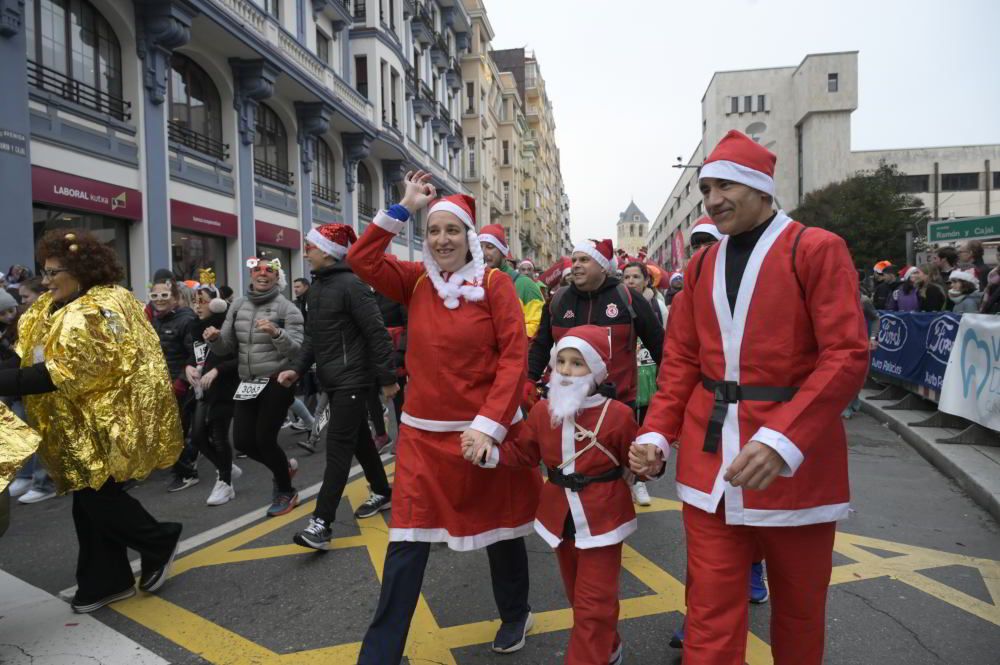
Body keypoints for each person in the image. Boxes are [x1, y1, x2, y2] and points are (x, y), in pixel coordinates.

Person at [629, 130, 868, 665]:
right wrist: (655, 433)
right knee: (709, 613)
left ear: (761, 189)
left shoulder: (815, 248)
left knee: (800, 612)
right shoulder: (699, 267)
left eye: (725, 186)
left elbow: (846, 355)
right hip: (709, 459)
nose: (713, 200)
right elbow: (683, 363)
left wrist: (784, 439)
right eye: (707, 188)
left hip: (794, 465)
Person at [349, 172, 542, 661]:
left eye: (451, 231)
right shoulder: (415, 280)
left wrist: (488, 426)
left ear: (469, 237)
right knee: (406, 543)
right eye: (433, 231)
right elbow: (361, 258)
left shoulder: (496, 286)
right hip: (422, 438)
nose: (441, 240)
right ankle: (379, 655)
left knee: (501, 531)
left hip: (483, 435)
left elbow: (513, 359)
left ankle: (515, 612)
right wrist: (404, 208)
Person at [0, 229, 184, 613]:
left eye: (54, 272)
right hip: (70, 423)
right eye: (44, 272)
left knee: (97, 499)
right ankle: (107, 581)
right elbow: (23, 355)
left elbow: (59, 373)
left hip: (102, 423)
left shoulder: (97, 308)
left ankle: (158, 539)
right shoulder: (53, 305)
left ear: (81, 270)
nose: (46, 280)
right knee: (87, 502)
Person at [464, 326, 638, 665]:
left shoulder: (619, 415)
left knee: (594, 602)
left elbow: (638, 462)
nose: (568, 371)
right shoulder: (544, 412)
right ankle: (610, 646)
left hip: (603, 517)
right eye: (562, 362)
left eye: (578, 364)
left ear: (597, 369)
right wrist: (490, 454)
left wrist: (650, 462)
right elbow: (526, 454)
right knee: (578, 595)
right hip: (560, 518)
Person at [276, 223, 398, 549]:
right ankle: (384, 491)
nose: (305, 252)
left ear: (328, 252)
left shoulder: (352, 286)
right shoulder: (318, 289)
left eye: (310, 247)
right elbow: (313, 339)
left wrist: (387, 379)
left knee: (338, 449)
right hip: (335, 381)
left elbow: (377, 333)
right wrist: (296, 371)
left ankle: (321, 525)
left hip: (353, 380)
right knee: (360, 441)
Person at [204, 257, 304, 517]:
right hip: (247, 382)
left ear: (276, 277)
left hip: (276, 380)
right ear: (250, 276)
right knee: (244, 442)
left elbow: (297, 349)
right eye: (257, 271)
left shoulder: (287, 308)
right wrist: (214, 339)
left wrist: (276, 333)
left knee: (265, 439)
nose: (262, 275)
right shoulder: (237, 305)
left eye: (269, 271)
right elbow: (226, 347)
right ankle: (283, 466)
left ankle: (286, 489)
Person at [529, 239, 664, 411]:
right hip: (564, 404)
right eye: (574, 260)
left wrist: (670, 387)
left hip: (617, 406)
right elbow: (540, 345)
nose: (576, 265)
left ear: (602, 266)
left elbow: (659, 345)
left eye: (584, 260)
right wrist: (529, 379)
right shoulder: (557, 301)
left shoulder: (628, 299)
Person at [184, 285, 241, 505]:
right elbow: (194, 355)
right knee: (197, 436)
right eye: (195, 301)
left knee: (219, 436)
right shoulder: (195, 327)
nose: (198, 306)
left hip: (224, 389)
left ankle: (225, 483)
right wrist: (188, 367)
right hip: (202, 391)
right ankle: (225, 467)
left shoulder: (228, 326)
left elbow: (238, 358)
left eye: (204, 300)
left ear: (216, 303)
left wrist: (217, 370)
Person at [149, 279, 200, 492]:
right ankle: (188, 463)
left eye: (164, 296)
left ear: (176, 298)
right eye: (155, 296)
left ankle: (188, 472)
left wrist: (181, 380)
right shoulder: (157, 319)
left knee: (175, 430)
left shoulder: (186, 319)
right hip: (162, 382)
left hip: (181, 384)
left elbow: (195, 353)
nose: (159, 301)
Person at [480, 225, 545, 338]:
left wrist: (505, 337)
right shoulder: (473, 283)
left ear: (502, 251)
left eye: (490, 247)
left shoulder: (526, 285)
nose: (483, 253)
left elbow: (536, 326)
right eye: (480, 247)